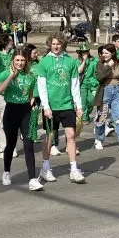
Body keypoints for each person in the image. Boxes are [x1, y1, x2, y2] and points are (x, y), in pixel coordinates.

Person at [35, 34, 85, 184]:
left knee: (70, 135)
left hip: (67, 105)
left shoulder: (70, 61)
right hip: (51, 107)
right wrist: (46, 106)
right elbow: (42, 87)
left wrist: (79, 105)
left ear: (63, 45)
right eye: (53, 44)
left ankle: (74, 169)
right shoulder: (44, 62)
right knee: (49, 137)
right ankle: (45, 168)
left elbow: (75, 85)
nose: (56, 46)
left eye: (58, 44)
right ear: (50, 45)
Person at [0, 51, 43, 191]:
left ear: (26, 61)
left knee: (29, 144)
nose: (20, 63)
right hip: (11, 110)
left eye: (22, 60)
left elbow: (30, 94)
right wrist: (11, 76)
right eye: (17, 60)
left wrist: (32, 105)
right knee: (10, 144)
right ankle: (6, 172)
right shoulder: (5, 73)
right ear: (12, 60)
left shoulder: (30, 75)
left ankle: (32, 179)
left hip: (25, 111)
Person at [94, 44, 119, 152]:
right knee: (101, 117)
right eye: (103, 53)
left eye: (106, 53)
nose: (104, 55)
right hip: (105, 91)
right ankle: (98, 139)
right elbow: (99, 77)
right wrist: (108, 66)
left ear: (112, 53)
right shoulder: (100, 64)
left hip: (117, 91)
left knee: (118, 118)